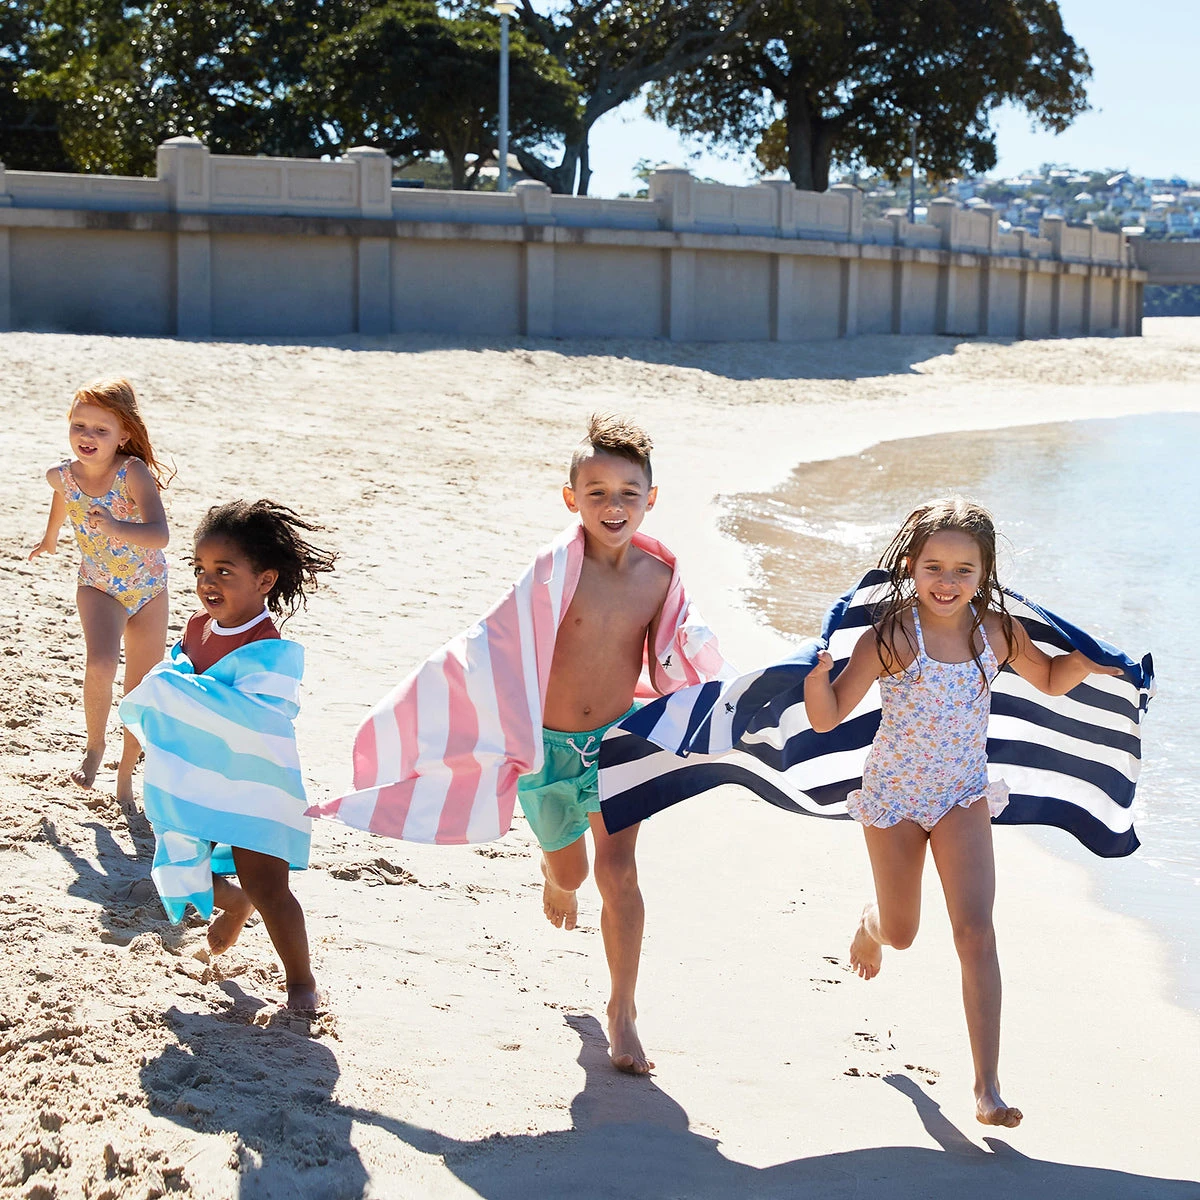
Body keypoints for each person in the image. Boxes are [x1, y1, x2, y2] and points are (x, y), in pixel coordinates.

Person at [309, 415, 732, 1072]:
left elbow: (680, 652)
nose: (613, 505)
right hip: (545, 750)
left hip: (620, 744)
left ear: (651, 498)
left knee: (619, 871)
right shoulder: (553, 573)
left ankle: (622, 1011)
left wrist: (716, 707)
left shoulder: (658, 577)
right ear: (571, 499)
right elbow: (494, 644)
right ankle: (555, 878)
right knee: (573, 872)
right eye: (596, 492)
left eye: (629, 492)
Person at [803, 497, 1123, 1128]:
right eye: (934, 567)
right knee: (902, 932)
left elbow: (1050, 679)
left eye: (963, 571)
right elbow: (826, 717)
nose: (947, 582)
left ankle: (987, 1087)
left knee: (975, 931)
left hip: (962, 794)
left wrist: (1087, 660)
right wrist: (817, 678)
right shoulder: (892, 636)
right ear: (911, 565)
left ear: (985, 573)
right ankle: (870, 924)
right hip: (894, 796)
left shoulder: (997, 633)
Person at [120, 500, 336, 1011]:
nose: (207, 582)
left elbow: (261, 715)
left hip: (255, 784)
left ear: (264, 580)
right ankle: (233, 903)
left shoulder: (266, 644)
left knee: (269, 887)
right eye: (199, 569)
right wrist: (169, 687)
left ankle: (300, 981)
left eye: (224, 571)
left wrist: (182, 691)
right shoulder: (198, 627)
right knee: (180, 857)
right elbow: (178, 685)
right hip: (201, 776)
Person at [28, 378, 171, 807]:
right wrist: (50, 537)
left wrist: (115, 527)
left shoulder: (133, 472)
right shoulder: (61, 475)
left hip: (148, 590)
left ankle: (125, 773)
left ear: (123, 435)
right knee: (101, 662)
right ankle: (94, 747)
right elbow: (64, 496)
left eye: (100, 430)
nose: (86, 436)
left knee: (139, 687)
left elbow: (160, 534)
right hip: (98, 586)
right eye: (79, 426)